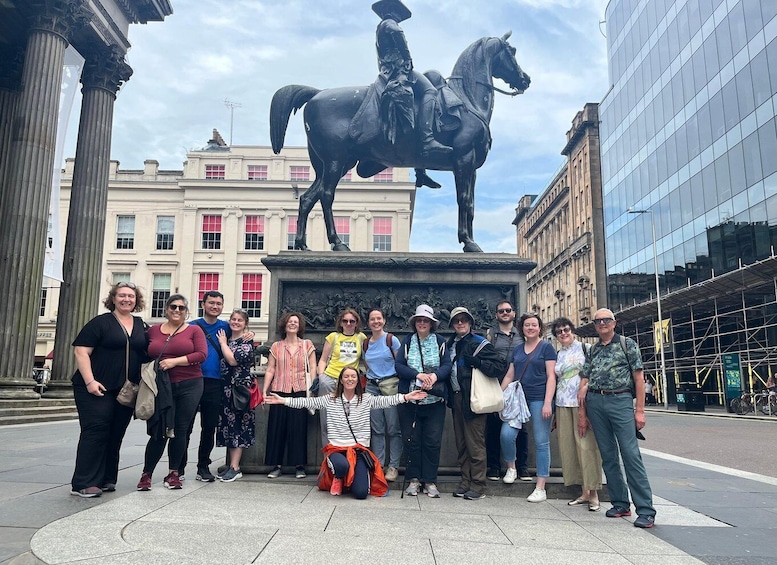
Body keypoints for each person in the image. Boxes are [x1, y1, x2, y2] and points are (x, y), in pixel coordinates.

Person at [265, 367, 428, 499]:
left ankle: (350, 479)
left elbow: (386, 400)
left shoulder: (366, 399)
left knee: (360, 493)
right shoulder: (330, 399)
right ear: (341, 380)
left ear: (358, 380)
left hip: (359, 450)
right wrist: (283, 400)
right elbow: (307, 402)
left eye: (353, 376)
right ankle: (337, 477)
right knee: (342, 465)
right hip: (337, 450)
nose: (350, 379)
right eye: (346, 376)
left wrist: (407, 396)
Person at [578, 308, 656, 528]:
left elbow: (639, 379)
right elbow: (584, 379)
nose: (602, 323)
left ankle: (646, 509)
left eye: (606, 320)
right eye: (598, 321)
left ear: (614, 323)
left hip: (620, 401)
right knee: (608, 455)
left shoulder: (627, 344)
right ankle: (621, 503)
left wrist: (639, 410)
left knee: (631, 454)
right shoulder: (592, 350)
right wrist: (583, 410)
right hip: (596, 402)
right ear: (594, 326)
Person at [70, 282, 148, 497]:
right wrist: (90, 381)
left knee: (115, 434)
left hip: (126, 390)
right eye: (122, 295)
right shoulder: (100, 323)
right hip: (97, 388)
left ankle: (106, 478)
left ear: (136, 300)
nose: (126, 299)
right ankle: (83, 483)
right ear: (113, 299)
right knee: (96, 431)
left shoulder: (141, 325)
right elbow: (81, 352)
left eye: (131, 296)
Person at [371, 0, 450, 191]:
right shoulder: (388, 24)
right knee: (430, 91)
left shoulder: (382, 27)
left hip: (395, 70)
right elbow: (397, 33)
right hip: (397, 72)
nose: (399, 15)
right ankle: (427, 139)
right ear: (389, 11)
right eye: (397, 11)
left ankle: (420, 173)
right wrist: (407, 58)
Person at [137, 295, 207, 491]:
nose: (177, 310)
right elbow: (142, 352)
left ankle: (174, 473)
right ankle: (146, 474)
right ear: (166, 309)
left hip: (190, 383)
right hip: (160, 384)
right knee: (159, 429)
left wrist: (174, 362)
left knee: (180, 430)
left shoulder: (194, 330)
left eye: (182, 308)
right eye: (173, 307)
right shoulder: (152, 330)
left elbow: (201, 354)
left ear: (187, 312)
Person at [446, 306, 506, 500]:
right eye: (457, 321)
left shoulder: (480, 343)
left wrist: (479, 363)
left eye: (464, 320)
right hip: (456, 398)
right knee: (462, 444)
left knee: (475, 444)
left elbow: (499, 367)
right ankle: (466, 482)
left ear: (470, 323)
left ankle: (478, 485)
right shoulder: (450, 344)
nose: (460, 323)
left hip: (474, 398)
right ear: (452, 325)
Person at [395, 304, 452, 498]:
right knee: (412, 440)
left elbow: (447, 366)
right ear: (415, 323)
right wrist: (417, 374)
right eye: (419, 320)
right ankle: (413, 479)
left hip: (434, 401)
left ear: (431, 323)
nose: (422, 323)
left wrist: (435, 377)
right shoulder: (408, 341)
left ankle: (430, 480)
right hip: (411, 400)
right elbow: (399, 366)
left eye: (425, 320)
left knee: (432, 441)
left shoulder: (440, 341)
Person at [500, 312, 556, 502]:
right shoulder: (517, 349)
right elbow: (510, 375)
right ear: (521, 328)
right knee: (506, 434)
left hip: (539, 398)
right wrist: (500, 396)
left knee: (541, 442)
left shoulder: (547, 348)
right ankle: (511, 467)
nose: (530, 328)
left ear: (540, 328)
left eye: (534, 325)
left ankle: (541, 486)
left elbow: (551, 377)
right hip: (518, 400)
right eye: (527, 325)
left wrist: (548, 402)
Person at [551, 317, 602, 512]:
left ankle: (594, 493)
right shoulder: (558, 354)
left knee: (587, 447)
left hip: (582, 404)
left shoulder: (585, 348)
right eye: (559, 332)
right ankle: (584, 492)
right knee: (570, 448)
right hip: (562, 403)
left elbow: (596, 372)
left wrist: (585, 389)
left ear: (572, 330)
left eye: (566, 330)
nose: (563, 334)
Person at [180, 290, 227, 482]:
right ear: (203, 304)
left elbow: (239, 335)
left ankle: (203, 466)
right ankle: (179, 466)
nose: (215, 306)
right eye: (211, 303)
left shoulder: (226, 327)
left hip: (215, 382)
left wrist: (249, 333)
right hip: (192, 379)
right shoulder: (191, 326)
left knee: (209, 426)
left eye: (218, 303)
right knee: (185, 426)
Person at [263, 312, 316, 479]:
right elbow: (270, 369)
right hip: (279, 388)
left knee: (298, 428)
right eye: (290, 321)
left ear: (299, 326)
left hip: (300, 389)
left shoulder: (307, 345)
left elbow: (313, 367)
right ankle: (276, 465)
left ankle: (299, 465)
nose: (292, 324)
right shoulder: (276, 347)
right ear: (284, 325)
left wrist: (313, 388)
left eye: (295, 322)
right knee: (277, 428)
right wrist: (264, 390)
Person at [485, 300, 530, 482]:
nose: (505, 313)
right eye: (501, 311)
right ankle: (494, 466)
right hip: (495, 384)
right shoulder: (490, 334)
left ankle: (523, 466)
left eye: (508, 310)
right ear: (496, 315)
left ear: (513, 313)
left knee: (521, 427)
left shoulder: (522, 334)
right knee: (494, 425)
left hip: (518, 386)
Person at [215, 309, 256, 482]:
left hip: (239, 390)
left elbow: (232, 360)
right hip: (225, 388)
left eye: (240, 320)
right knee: (229, 427)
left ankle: (236, 467)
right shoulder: (226, 336)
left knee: (238, 426)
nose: (236, 322)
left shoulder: (246, 343)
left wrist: (223, 343)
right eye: (233, 319)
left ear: (245, 323)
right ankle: (231, 466)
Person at [362, 308, 402, 482]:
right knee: (376, 429)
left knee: (393, 429)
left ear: (384, 320)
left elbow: (400, 363)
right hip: (372, 387)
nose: (376, 322)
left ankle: (393, 467)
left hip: (390, 386)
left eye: (379, 318)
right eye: (372, 319)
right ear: (368, 322)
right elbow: (367, 364)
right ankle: (378, 464)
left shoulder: (391, 340)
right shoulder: (365, 343)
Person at [317, 308, 367, 445]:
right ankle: (328, 462)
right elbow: (322, 359)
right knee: (327, 423)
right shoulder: (333, 337)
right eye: (345, 321)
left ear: (357, 323)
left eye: (352, 321)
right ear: (340, 323)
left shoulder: (361, 338)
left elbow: (366, 360)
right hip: (330, 380)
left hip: (350, 383)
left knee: (349, 422)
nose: (349, 323)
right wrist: (321, 377)